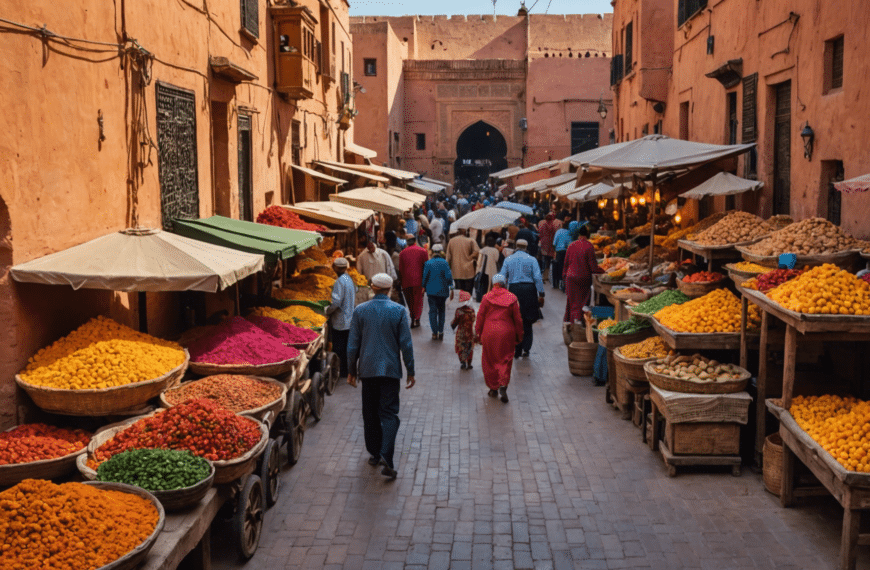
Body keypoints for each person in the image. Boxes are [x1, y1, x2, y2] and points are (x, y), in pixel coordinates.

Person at [346, 273, 415, 480]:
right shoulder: (399, 311)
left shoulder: (360, 311)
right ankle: (386, 454)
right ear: (390, 289)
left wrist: (351, 370)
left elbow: (352, 345)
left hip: (367, 370)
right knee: (389, 414)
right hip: (390, 371)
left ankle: (375, 454)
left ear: (372, 288)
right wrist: (411, 370)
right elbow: (407, 344)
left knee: (370, 413)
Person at [474, 274, 523, 403]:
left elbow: (480, 317)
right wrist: (520, 335)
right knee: (505, 359)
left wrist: (478, 333)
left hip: (489, 332)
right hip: (507, 333)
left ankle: (493, 388)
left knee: (489, 360)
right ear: (504, 283)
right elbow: (518, 320)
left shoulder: (486, 297)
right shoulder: (512, 298)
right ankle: (503, 384)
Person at [498, 239, 545, 358]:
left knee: (514, 319)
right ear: (526, 247)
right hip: (529, 290)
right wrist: (541, 294)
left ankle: (516, 347)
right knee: (527, 321)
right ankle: (526, 348)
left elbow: (502, 276)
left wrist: (501, 292)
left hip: (514, 290)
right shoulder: (532, 259)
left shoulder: (508, 259)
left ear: (516, 247)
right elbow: (538, 277)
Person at [563, 223, 603, 324]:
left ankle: (571, 324)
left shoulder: (571, 245)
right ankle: (578, 323)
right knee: (582, 302)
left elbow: (566, 263)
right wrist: (603, 271)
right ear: (588, 235)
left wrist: (564, 276)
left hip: (570, 277)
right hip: (583, 278)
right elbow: (593, 267)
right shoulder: (589, 246)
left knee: (572, 302)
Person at [325, 257, 355, 379]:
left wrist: (327, 310)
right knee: (347, 346)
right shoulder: (348, 278)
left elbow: (336, 302)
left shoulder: (339, 281)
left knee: (339, 347)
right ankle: (348, 369)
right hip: (349, 318)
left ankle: (342, 371)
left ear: (336, 268)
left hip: (341, 320)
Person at [399, 236, 429, 328]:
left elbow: (401, 269)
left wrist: (400, 281)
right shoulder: (423, 251)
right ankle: (417, 318)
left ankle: (412, 317)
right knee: (418, 300)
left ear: (407, 243)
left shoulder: (402, 253)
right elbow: (426, 267)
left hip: (406, 281)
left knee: (410, 300)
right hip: (419, 281)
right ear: (415, 241)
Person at [446, 227, 480, 294]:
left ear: (457, 232)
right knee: (468, 293)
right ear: (466, 233)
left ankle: (461, 304)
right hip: (469, 271)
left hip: (456, 272)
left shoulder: (451, 241)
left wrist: (448, 270)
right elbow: (477, 252)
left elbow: (448, 258)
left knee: (459, 293)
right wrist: (470, 257)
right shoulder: (470, 240)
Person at [450, 291, 477, 370]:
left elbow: (455, 321)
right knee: (469, 347)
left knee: (461, 347)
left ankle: (463, 362)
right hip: (469, 333)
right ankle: (469, 363)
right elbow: (473, 319)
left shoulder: (459, 311)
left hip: (461, 333)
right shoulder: (472, 311)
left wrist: (452, 324)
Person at [475, 234, 501, 302]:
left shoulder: (483, 249)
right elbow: (496, 259)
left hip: (483, 270)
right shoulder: (495, 250)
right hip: (492, 269)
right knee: (490, 284)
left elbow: (479, 261)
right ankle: (490, 298)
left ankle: (482, 297)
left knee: (483, 284)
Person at [552, 218, 574, 291]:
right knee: (565, 267)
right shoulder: (570, 233)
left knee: (557, 267)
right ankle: (564, 283)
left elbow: (554, 243)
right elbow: (570, 244)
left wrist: (555, 251)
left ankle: (556, 283)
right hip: (566, 252)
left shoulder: (558, 232)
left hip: (559, 252)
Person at [537, 213, 558, 284]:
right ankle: (545, 277)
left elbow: (540, 234)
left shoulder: (542, 224)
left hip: (543, 244)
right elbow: (554, 235)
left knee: (542, 260)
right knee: (548, 262)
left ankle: (540, 276)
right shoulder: (553, 227)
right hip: (550, 246)